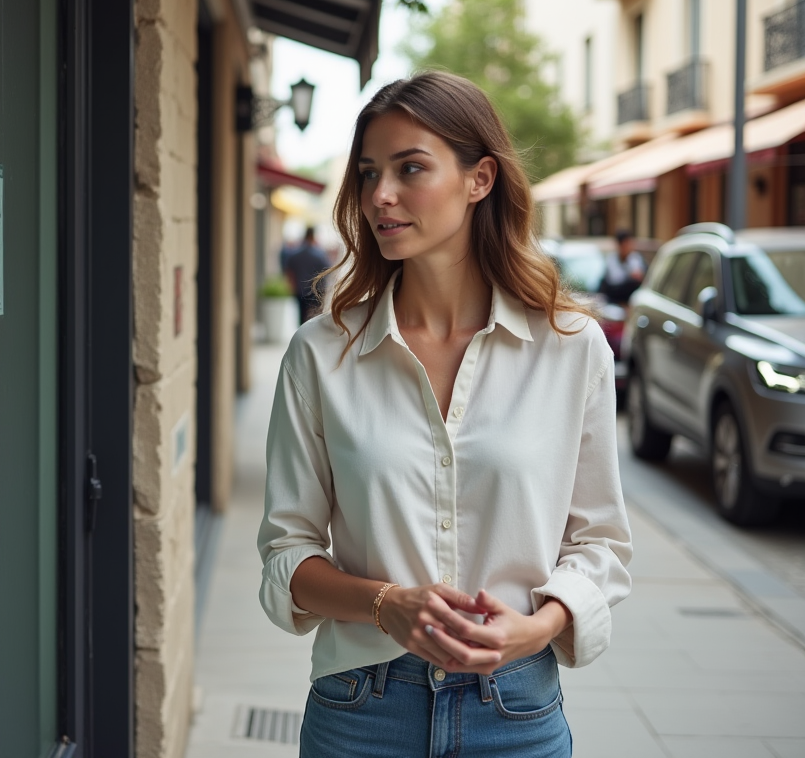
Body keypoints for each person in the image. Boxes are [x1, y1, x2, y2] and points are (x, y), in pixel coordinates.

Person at [257, 72, 632, 757]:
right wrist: (384, 604)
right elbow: (287, 552)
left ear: (479, 179)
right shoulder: (321, 354)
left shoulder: (571, 350)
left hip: (515, 710)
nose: (380, 196)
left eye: (411, 168)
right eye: (369, 173)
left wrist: (539, 626)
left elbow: (600, 543)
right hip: (360, 710)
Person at [284, 226, 332, 324]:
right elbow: (327, 271)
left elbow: (289, 272)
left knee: (301, 316)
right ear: (313, 236)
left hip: (300, 290)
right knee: (315, 318)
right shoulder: (319, 254)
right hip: (315, 291)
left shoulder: (294, 254)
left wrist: (292, 286)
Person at [600, 230, 646, 304]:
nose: (628, 247)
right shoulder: (612, 259)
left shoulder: (635, 258)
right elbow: (615, 280)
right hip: (615, 299)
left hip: (631, 299)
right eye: (625, 244)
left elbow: (639, 277)